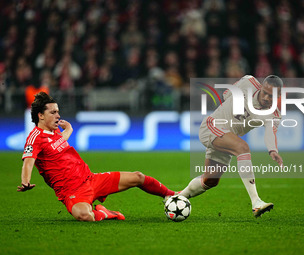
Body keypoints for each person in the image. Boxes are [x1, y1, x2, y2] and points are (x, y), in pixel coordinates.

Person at [18, 92, 175, 222]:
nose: (58, 115)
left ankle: (171, 194)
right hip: (71, 191)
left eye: (58, 111)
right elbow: (28, 162)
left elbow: (58, 143)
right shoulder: (35, 138)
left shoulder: (55, 132)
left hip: (91, 179)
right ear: (41, 116)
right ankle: (105, 213)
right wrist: (25, 181)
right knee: (85, 215)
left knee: (138, 177)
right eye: (53, 112)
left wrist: (69, 130)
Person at [180, 75, 283, 217]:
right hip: (213, 125)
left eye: (271, 96)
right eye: (264, 92)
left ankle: (176, 196)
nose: (266, 97)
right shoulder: (249, 81)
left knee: (211, 179)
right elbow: (226, 94)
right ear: (261, 87)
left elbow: (270, 133)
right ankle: (256, 202)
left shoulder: (274, 115)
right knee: (243, 148)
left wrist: (273, 150)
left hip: (228, 137)